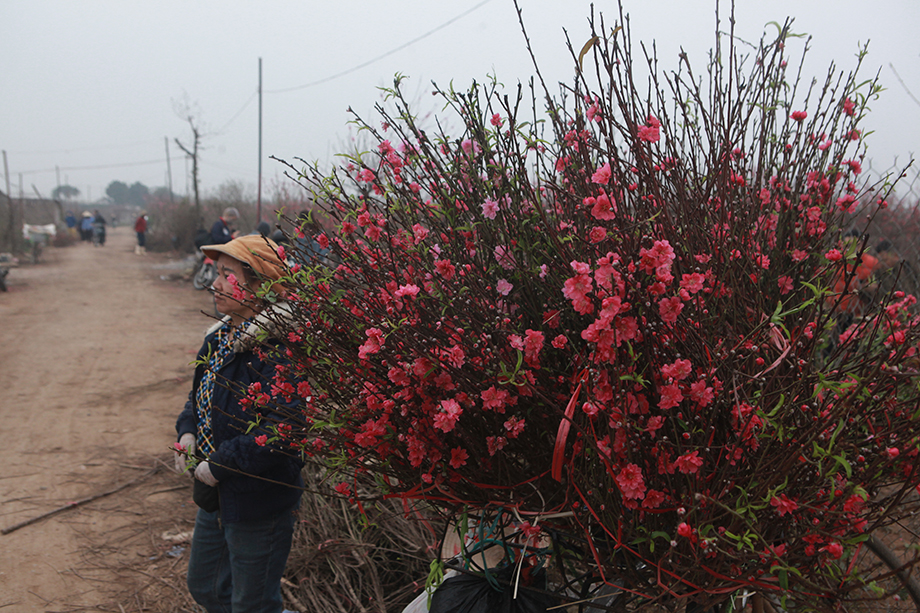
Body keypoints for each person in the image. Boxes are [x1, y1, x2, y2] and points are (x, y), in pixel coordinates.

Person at [173, 234, 302, 612]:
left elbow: (284, 430)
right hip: (217, 497)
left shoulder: (279, 349)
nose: (215, 283)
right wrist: (187, 431)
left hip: (258, 502)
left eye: (228, 275)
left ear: (260, 285)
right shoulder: (218, 339)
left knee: (253, 604)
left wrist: (221, 464)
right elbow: (198, 398)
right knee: (207, 588)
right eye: (217, 273)